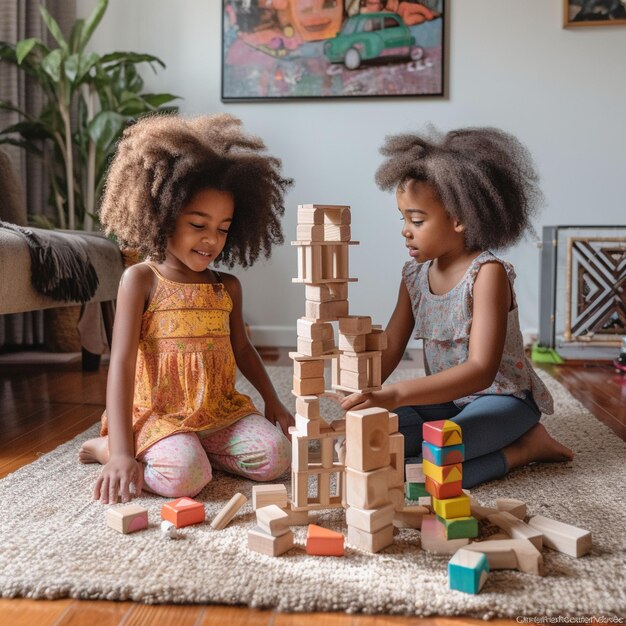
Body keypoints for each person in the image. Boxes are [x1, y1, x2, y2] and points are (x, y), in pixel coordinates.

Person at [342, 126, 574, 488]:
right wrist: (362, 390)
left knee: (420, 473)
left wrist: (398, 393)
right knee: (369, 442)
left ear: (460, 219)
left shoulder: (487, 274)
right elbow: (389, 347)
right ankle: (489, 441)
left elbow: (481, 370)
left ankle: (525, 448)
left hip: (501, 399)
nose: (406, 230)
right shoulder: (414, 276)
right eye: (402, 218)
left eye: (417, 220)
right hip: (446, 402)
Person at [80, 114, 294, 504]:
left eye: (223, 228)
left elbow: (242, 349)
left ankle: (197, 448)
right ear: (164, 215)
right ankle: (109, 448)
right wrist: (124, 452)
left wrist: (273, 400)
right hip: (159, 415)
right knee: (186, 479)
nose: (212, 239)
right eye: (198, 224)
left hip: (217, 410)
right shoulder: (141, 280)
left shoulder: (226, 286)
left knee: (277, 457)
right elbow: (123, 362)